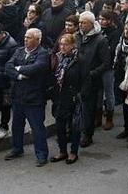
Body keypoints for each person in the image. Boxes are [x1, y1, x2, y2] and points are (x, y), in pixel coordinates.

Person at [4, 28, 50, 167]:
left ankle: (41, 154)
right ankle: (17, 148)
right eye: (25, 37)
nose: (25, 39)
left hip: (34, 98)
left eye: (29, 38)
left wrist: (18, 68)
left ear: (37, 40)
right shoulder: (19, 51)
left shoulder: (42, 54)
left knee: (37, 128)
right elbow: (8, 66)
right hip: (18, 96)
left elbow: (36, 68)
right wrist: (19, 75)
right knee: (17, 126)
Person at [76, 11, 111, 147]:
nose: (80, 25)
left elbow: (106, 63)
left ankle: (87, 134)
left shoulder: (100, 40)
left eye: (83, 23)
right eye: (79, 22)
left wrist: (92, 73)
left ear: (91, 24)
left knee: (88, 108)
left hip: (91, 80)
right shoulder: (77, 36)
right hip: (77, 77)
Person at [50, 34, 84, 165]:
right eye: (61, 44)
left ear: (72, 45)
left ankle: (73, 152)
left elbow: (85, 78)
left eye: (65, 44)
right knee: (59, 126)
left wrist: (80, 94)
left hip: (73, 96)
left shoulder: (79, 59)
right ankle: (62, 151)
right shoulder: (59, 58)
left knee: (74, 126)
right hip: (60, 97)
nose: (62, 47)